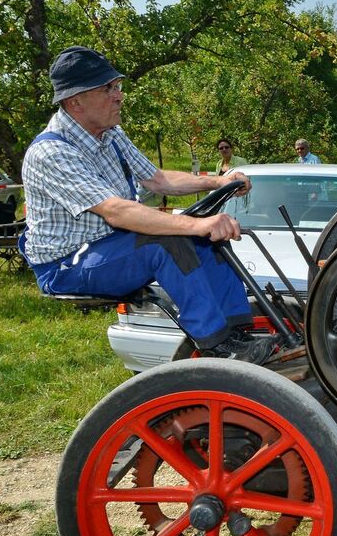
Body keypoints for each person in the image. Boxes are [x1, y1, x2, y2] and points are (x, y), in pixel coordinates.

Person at [21, 45, 273, 364]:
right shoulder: (52, 153)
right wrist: (194, 223)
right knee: (166, 243)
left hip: (109, 245)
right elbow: (116, 211)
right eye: (108, 89)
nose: (119, 96)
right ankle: (217, 346)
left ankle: (238, 332)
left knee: (209, 240)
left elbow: (157, 180)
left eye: (117, 86)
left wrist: (218, 181)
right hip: (67, 264)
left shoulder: (110, 133)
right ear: (76, 101)